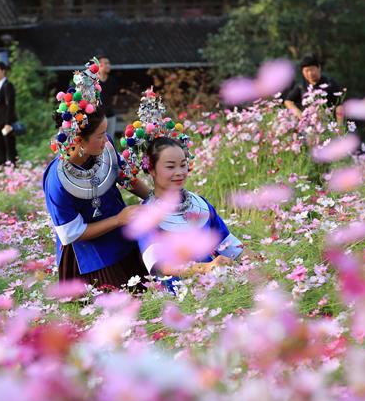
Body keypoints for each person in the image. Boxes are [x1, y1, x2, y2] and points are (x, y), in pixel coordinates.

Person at [43, 59, 152, 289]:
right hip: (91, 256)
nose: (106, 139)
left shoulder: (105, 148)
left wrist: (156, 199)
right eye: (100, 135)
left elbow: (125, 178)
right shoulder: (57, 181)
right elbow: (72, 233)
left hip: (122, 238)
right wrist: (118, 219)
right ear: (79, 141)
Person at [136, 137, 246, 281]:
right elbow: (162, 266)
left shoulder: (200, 204)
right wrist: (205, 268)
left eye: (183, 165)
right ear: (152, 169)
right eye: (170, 167)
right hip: (179, 294)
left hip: (214, 283)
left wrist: (262, 262)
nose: (180, 172)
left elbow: (229, 244)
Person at [284, 54, 344, 123]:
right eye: (306, 71)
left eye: (312, 69)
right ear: (302, 72)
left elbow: (339, 106)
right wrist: (299, 114)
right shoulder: (301, 85)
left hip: (328, 124)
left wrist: (340, 126)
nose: (310, 73)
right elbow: (288, 101)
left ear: (319, 67)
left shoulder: (330, 83)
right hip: (308, 126)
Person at [97, 55, 119, 136]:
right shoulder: (94, 81)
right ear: (99, 65)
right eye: (106, 63)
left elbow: (115, 97)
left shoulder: (112, 81)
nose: (109, 65)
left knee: (110, 140)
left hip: (110, 115)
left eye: (109, 63)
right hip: (97, 117)